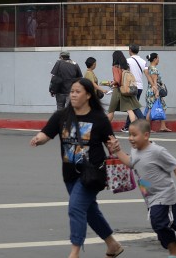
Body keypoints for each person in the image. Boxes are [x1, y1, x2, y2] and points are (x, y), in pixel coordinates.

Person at [29, 78, 125, 258]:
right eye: (72, 91)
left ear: (88, 95)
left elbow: (112, 144)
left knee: (75, 208)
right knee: (89, 210)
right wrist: (38, 139)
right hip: (70, 174)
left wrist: (118, 150)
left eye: (77, 91)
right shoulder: (61, 116)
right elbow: (46, 133)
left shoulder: (99, 119)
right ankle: (112, 245)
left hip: (93, 174)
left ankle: (74, 253)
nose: (73, 94)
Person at [109, 119, 176, 258]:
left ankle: (175, 252)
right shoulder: (135, 151)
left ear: (146, 135)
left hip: (164, 195)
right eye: (129, 135)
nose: (130, 138)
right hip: (150, 197)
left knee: (160, 223)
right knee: (158, 225)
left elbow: (175, 165)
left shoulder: (157, 151)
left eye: (134, 135)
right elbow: (130, 163)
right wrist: (117, 150)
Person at [108, 49, 143, 129]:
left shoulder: (115, 67)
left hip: (118, 90)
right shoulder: (125, 66)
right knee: (129, 109)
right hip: (125, 89)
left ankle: (104, 127)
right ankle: (133, 127)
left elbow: (117, 80)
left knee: (111, 110)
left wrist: (111, 83)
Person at [146, 52, 172, 132]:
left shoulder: (149, 68)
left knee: (163, 107)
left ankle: (162, 126)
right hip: (154, 91)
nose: (159, 60)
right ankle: (147, 128)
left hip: (151, 90)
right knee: (151, 109)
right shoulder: (154, 69)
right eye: (158, 58)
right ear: (154, 59)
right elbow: (154, 82)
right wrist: (157, 92)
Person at [125, 44, 149, 131]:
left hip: (132, 86)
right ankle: (127, 126)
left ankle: (143, 121)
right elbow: (147, 74)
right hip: (140, 87)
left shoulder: (127, 61)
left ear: (130, 50)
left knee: (133, 107)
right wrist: (153, 85)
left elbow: (125, 74)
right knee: (132, 106)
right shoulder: (143, 61)